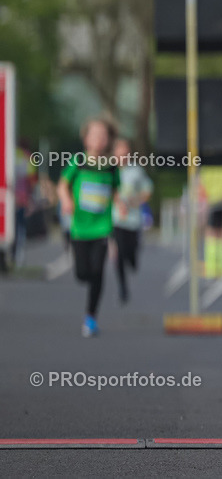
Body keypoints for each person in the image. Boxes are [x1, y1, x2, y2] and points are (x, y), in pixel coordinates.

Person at [57, 118, 120, 337]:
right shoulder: (78, 161)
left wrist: (120, 202)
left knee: (98, 272)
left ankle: (90, 317)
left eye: (103, 135)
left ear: (108, 140)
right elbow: (63, 185)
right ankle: (87, 280)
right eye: (95, 135)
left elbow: (116, 189)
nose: (99, 139)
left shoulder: (111, 166)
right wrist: (66, 200)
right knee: (83, 273)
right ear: (86, 139)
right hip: (80, 227)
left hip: (102, 227)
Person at [110, 138, 152, 303]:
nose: (123, 155)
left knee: (130, 251)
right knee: (119, 253)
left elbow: (147, 190)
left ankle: (133, 259)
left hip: (133, 220)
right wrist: (117, 202)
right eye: (120, 151)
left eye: (125, 152)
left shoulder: (136, 171)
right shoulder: (109, 170)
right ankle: (122, 287)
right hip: (116, 219)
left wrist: (135, 201)